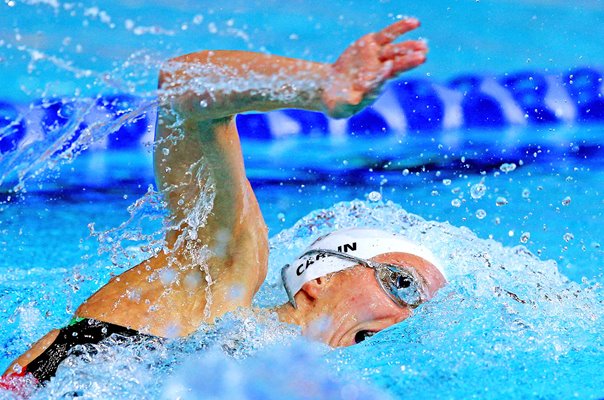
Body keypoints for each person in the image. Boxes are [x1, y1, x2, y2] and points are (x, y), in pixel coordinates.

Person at [1, 18, 446, 387]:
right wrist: (319, 85)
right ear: (321, 278)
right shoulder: (217, 284)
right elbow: (179, 87)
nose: (409, 316)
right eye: (402, 285)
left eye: (424, 309)